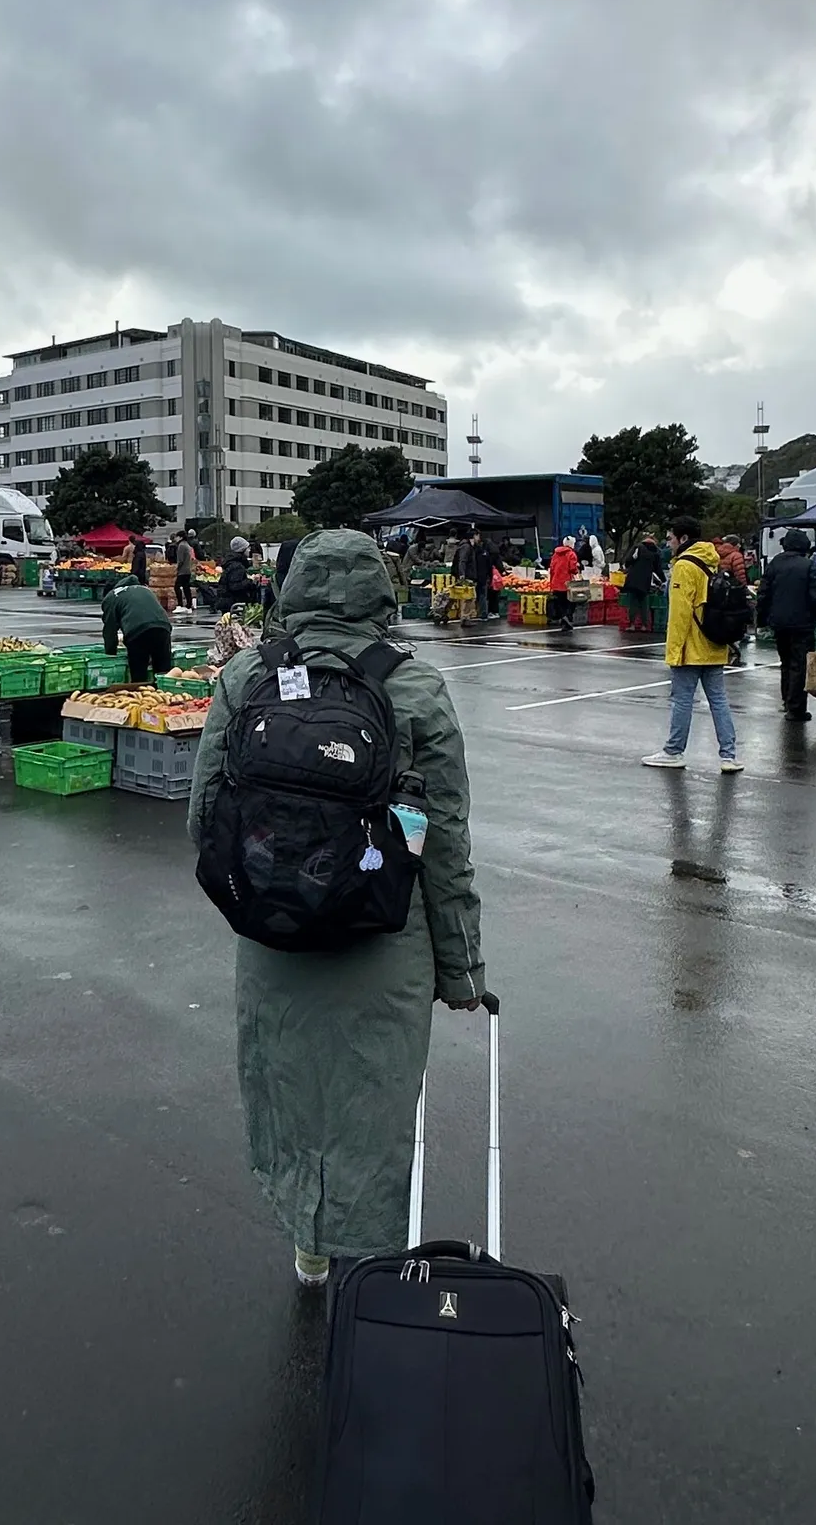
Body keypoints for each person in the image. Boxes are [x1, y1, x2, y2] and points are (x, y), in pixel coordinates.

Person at [185, 529, 487, 1287]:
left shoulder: (246, 675)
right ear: (380, 594)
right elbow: (444, 842)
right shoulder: (416, 689)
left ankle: (309, 1249)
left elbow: (204, 816)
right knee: (373, 1102)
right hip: (384, 936)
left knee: (287, 1086)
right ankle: (372, 1268)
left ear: (294, 589)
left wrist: (257, 890)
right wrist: (459, 968)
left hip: (274, 934)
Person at [643, 517, 742, 772]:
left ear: (683, 539)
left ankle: (674, 751)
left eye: (670, 538)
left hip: (690, 647)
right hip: (714, 642)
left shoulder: (684, 566)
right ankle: (729, 756)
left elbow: (680, 613)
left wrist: (673, 651)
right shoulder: (711, 560)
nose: (668, 542)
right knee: (718, 700)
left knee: (682, 700)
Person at [755, 528, 816, 723]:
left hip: (779, 622)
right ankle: (796, 709)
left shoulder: (774, 564)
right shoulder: (808, 566)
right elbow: (815, 597)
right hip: (803, 623)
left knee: (786, 663)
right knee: (799, 665)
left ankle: (787, 700)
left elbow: (763, 594)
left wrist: (761, 622)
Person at [101, 571, 174, 683]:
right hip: (163, 627)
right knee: (163, 673)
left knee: (139, 674)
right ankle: (164, 695)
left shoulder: (112, 596)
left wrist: (110, 655)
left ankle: (141, 694)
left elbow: (109, 631)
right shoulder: (144, 589)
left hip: (137, 631)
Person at [623, 534, 663, 635]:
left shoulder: (638, 547)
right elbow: (657, 568)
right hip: (646, 579)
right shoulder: (656, 551)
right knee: (644, 602)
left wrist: (628, 566)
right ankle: (644, 625)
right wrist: (663, 580)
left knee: (633, 602)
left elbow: (628, 560)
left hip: (634, 577)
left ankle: (632, 625)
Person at [545, 536, 580, 631]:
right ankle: (567, 618)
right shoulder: (571, 554)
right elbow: (572, 568)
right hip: (567, 583)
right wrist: (577, 571)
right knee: (570, 602)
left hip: (556, 582)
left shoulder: (555, 554)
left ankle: (564, 619)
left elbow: (551, 568)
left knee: (560, 602)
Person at [216, 536, 254, 613]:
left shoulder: (231, 563)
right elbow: (235, 586)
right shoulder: (237, 566)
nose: (249, 550)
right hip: (233, 603)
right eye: (247, 548)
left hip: (227, 601)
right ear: (242, 550)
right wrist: (250, 580)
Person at [172, 532, 198, 611]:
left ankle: (180, 604)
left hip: (182, 571)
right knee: (186, 588)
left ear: (180, 537)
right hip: (188, 570)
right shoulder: (187, 545)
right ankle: (189, 604)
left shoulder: (181, 546)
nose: (175, 539)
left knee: (177, 587)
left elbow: (180, 560)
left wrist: (176, 568)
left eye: (177, 537)